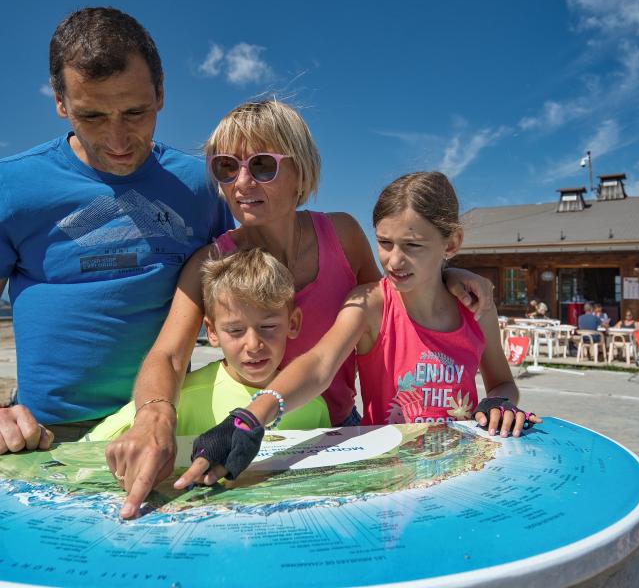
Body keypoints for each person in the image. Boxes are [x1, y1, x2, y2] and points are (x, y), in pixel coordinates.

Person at [106, 101, 495, 518]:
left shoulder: (343, 236)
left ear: (301, 171)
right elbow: (168, 355)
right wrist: (153, 414)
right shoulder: (211, 263)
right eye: (225, 167)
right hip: (251, 432)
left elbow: (391, 296)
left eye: (261, 166)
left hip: (342, 429)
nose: (241, 182)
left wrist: (447, 276)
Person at [177, 171, 542, 489]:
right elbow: (319, 364)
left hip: (458, 470)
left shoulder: (476, 308)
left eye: (412, 246)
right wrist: (250, 417)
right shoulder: (370, 304)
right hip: (387, 472)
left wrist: (500, 402)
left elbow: (501, 383)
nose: (393, 260)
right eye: (384, 243)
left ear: (452, 243)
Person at [0, 7, 233, 452]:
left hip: (166, 423)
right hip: (45, 435)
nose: (118, 139)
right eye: (92, 117)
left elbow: (232, 300)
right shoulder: (11, 186)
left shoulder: (203, 186)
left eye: (135, 112)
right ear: (60, 102)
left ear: (161, 93)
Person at [87, 248, 329, 446]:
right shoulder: (180, 399)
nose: (254, 345)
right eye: (235, 330)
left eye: (268, 327)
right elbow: (88, 448)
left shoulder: (313, 404)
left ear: (293, 323)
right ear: (212, 332)